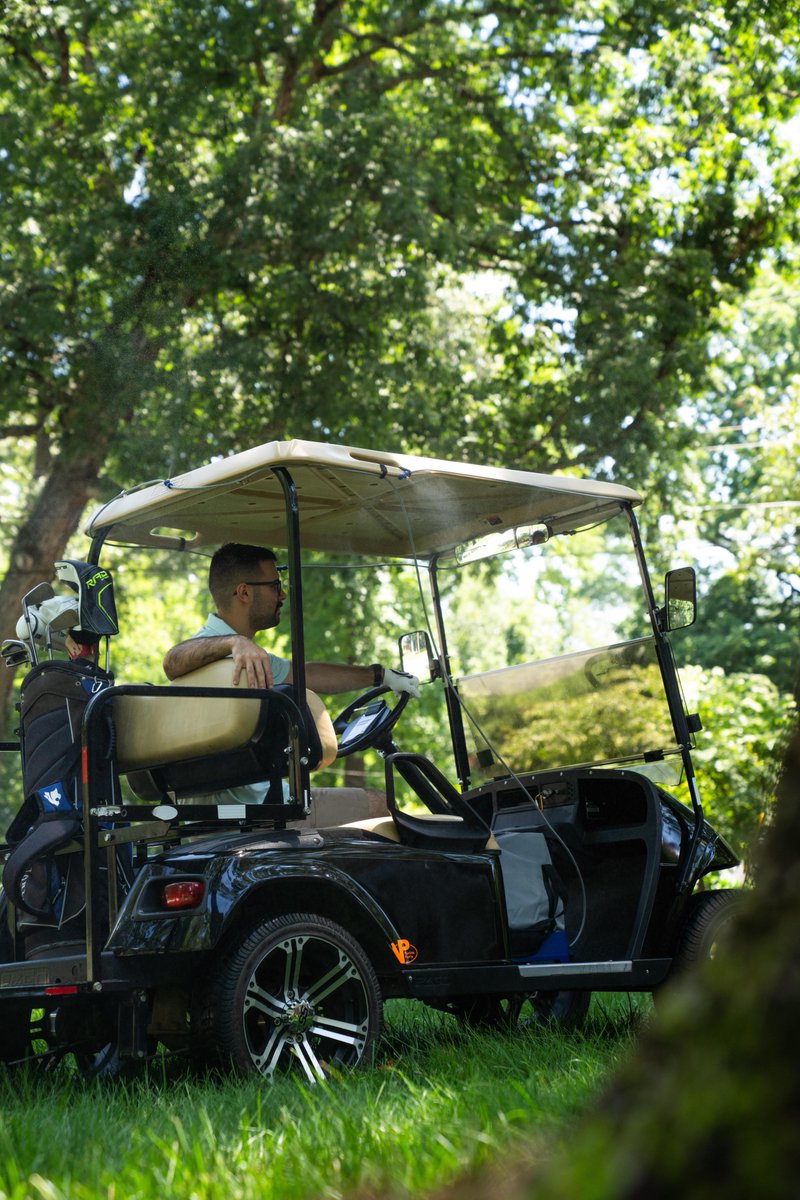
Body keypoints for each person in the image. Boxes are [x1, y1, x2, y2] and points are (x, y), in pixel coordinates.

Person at [162, 543, 419, 804]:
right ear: (244, 592)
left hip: (251, 804)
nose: (283, 594)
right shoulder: (217, 650)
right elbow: (171, 662)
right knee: (379, 804)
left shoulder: (246, 656)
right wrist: (233, 642)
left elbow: (305, 674)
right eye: (274, 585)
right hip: (255, 810)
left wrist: (382, 675)